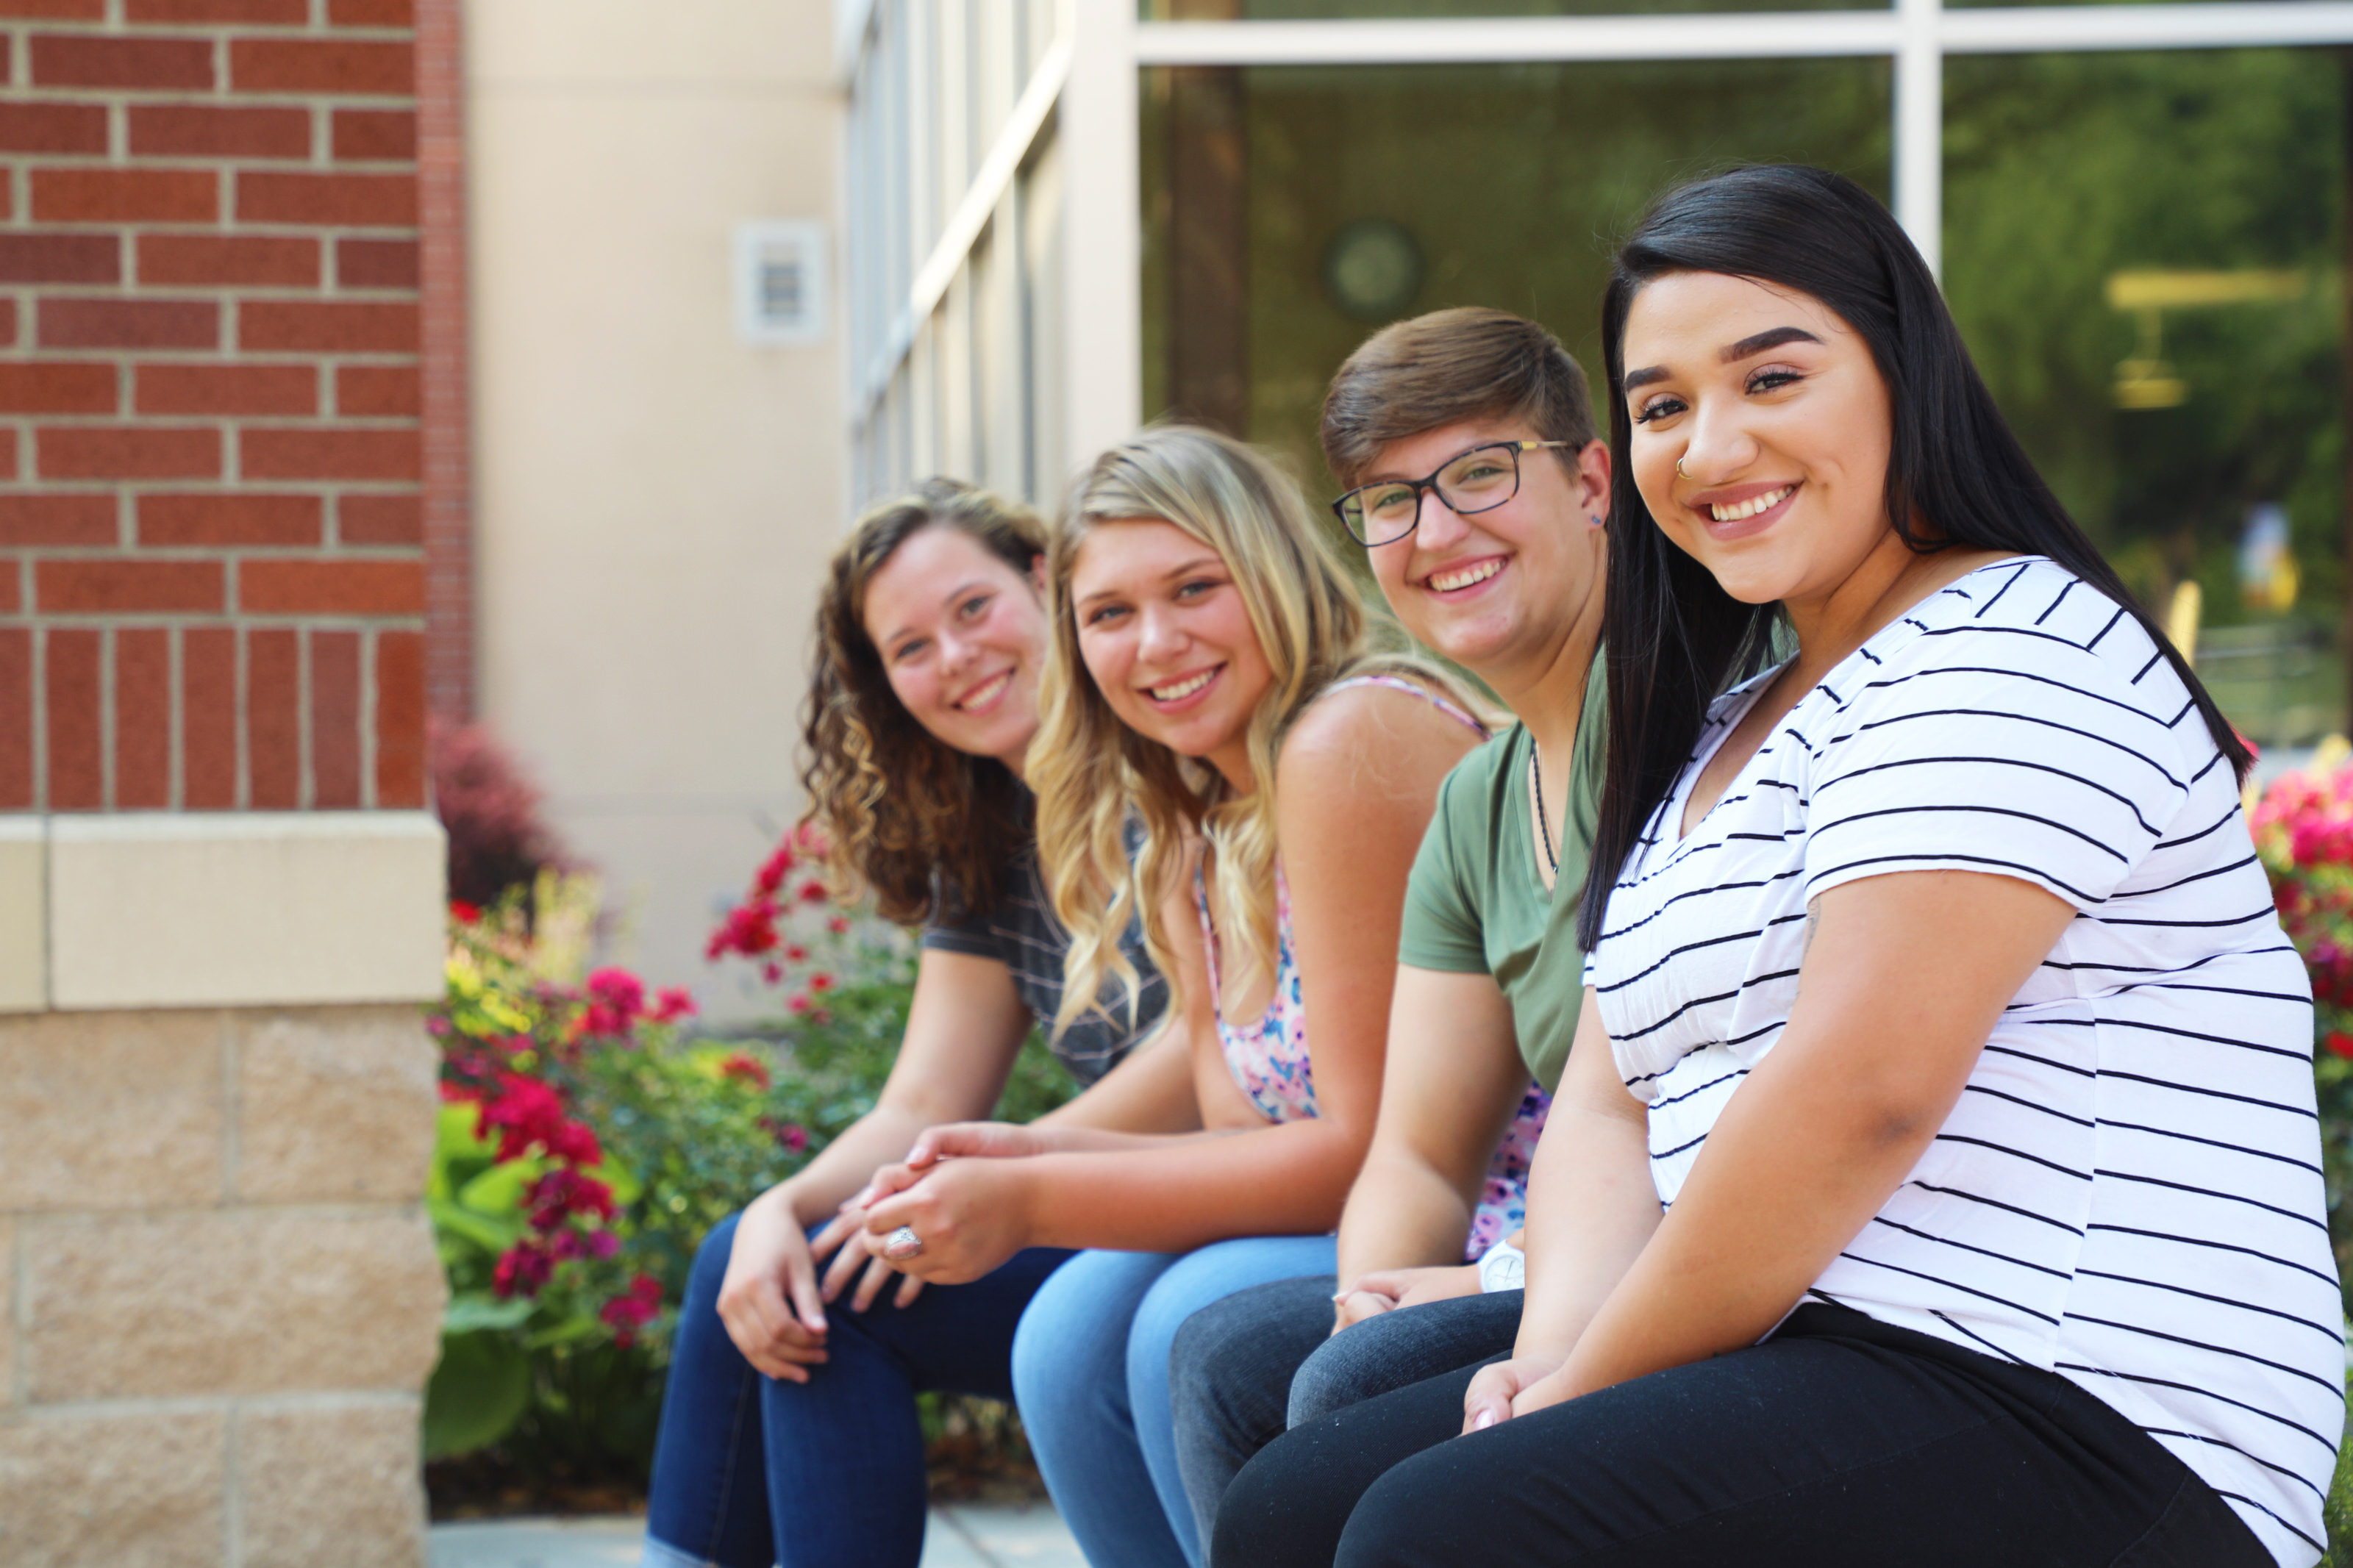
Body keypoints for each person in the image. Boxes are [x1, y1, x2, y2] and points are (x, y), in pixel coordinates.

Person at [1213, 164, 2338, 1568]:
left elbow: (1861, 1093)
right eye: (1665, 404)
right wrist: (1554, 1351)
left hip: (2087, 1393)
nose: (1714, 444)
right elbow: (1611, 1110)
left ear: (1899, 375)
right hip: (1832, 1341)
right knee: (1291, 1510)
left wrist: (1585, 1387)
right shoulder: (1742, 718)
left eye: (1773, 378)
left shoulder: (2009, 645)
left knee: (1442, 1532)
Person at [851, 424, 1486, 1568]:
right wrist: (1014, 1160)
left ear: (1275, 575)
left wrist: (1036, 1199)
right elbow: (1241, 1127)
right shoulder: (1192, 821)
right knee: (1062, 1329)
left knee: (1171, 1325)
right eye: (1109, 614)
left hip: (1495, 1215)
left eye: (1196, 588)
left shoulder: (1344, 739)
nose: (1157, 643)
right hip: (1368, 1203)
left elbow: (1355, 1147)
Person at [640, 480, 1186, 1568]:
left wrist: (983, 1175)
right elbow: (925, 1100)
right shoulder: (987, 835)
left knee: (843, 1294)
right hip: (1088, 1193)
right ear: (888, 685)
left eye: (973, 609)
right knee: (767, 1259)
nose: (956, 657)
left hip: (1213, 1192)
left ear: (1045, 584)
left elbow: (1215, 1055)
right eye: (912, 647)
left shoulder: (1167, 764)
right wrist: (780, 1207)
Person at [1164, 307, 1614, 1545]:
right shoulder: (1481, 798)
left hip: (1715, 1256)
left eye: (1479, 474)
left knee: (1326, 1388)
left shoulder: (1692, 715)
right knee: (1246, 1354)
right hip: (1569, 1240)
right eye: (1389, 500)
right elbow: (1416, 1153)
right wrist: (1372, 1292)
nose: (1438, 532)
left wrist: (1500, 1278)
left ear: (1591, 484)